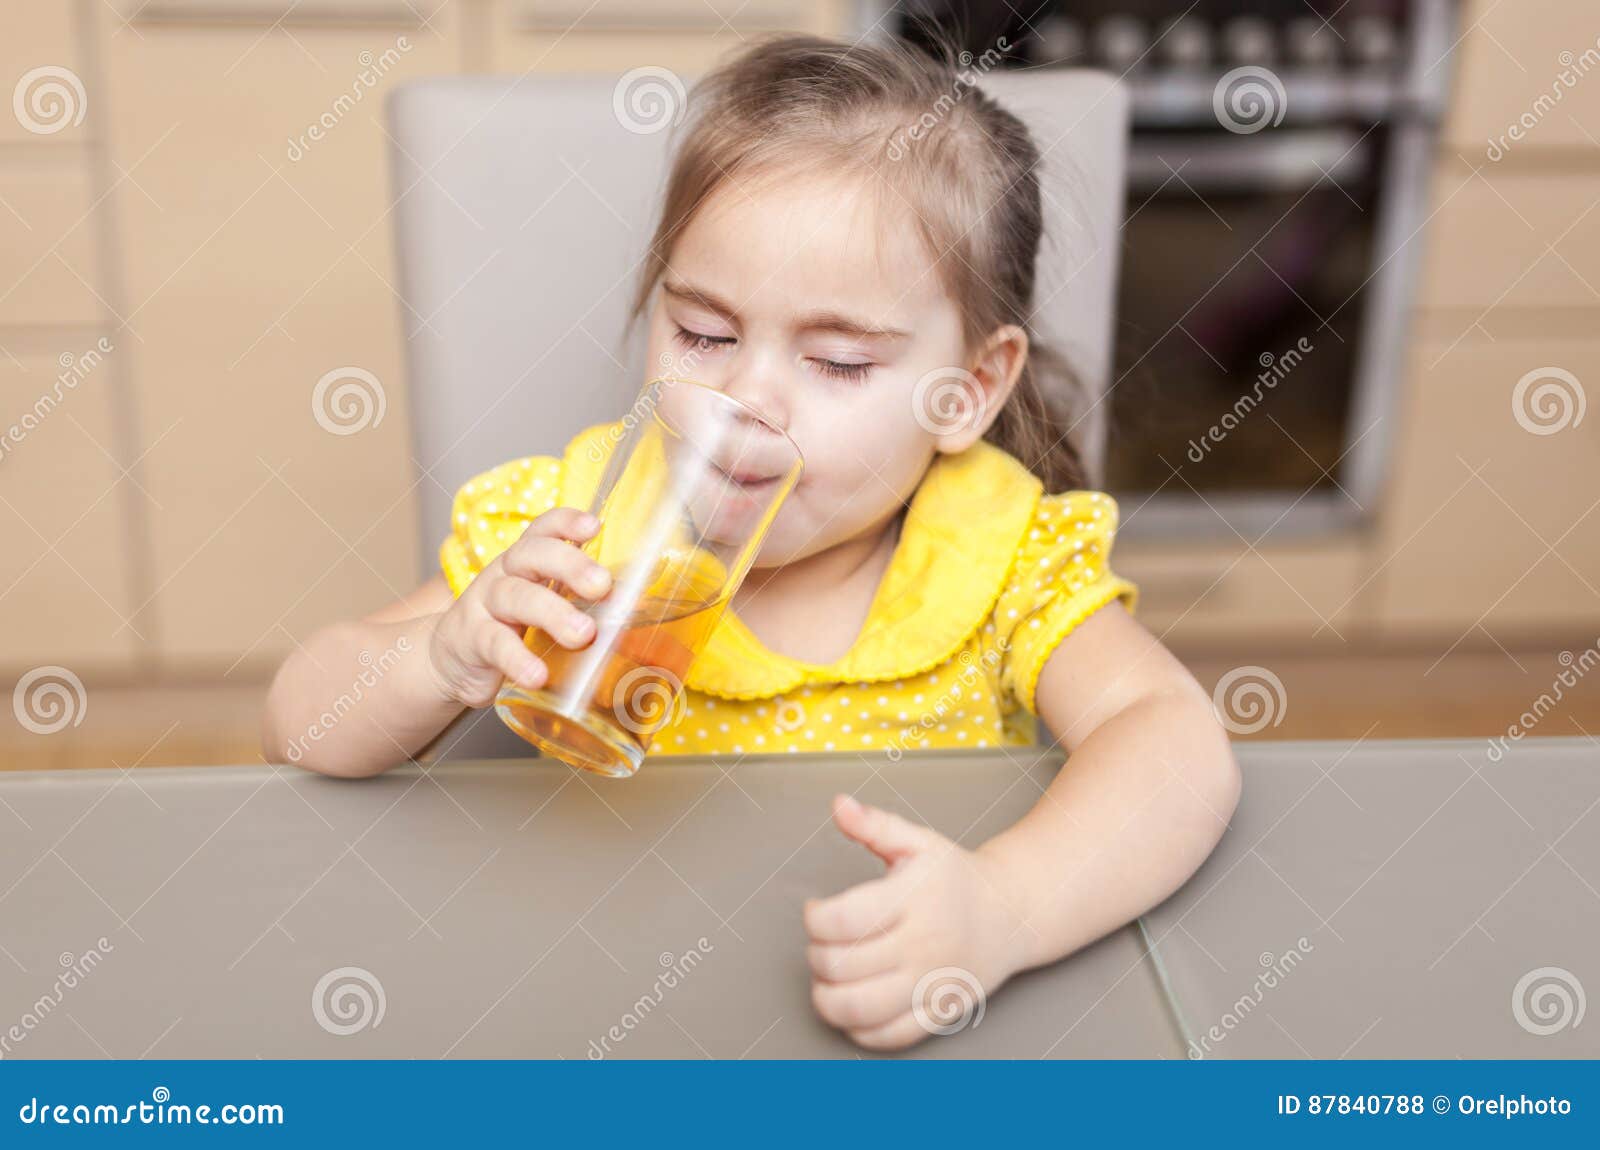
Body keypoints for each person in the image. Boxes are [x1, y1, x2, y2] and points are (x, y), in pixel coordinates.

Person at [263, 32, 1240, 1050]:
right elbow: (300, 717)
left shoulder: (997, 560)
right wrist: (436, 655)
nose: (747, 400)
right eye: (705, 335)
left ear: (971, 388)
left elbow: (1175, 751)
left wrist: (1005, 910)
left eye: (838, 359)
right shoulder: (577, 525)